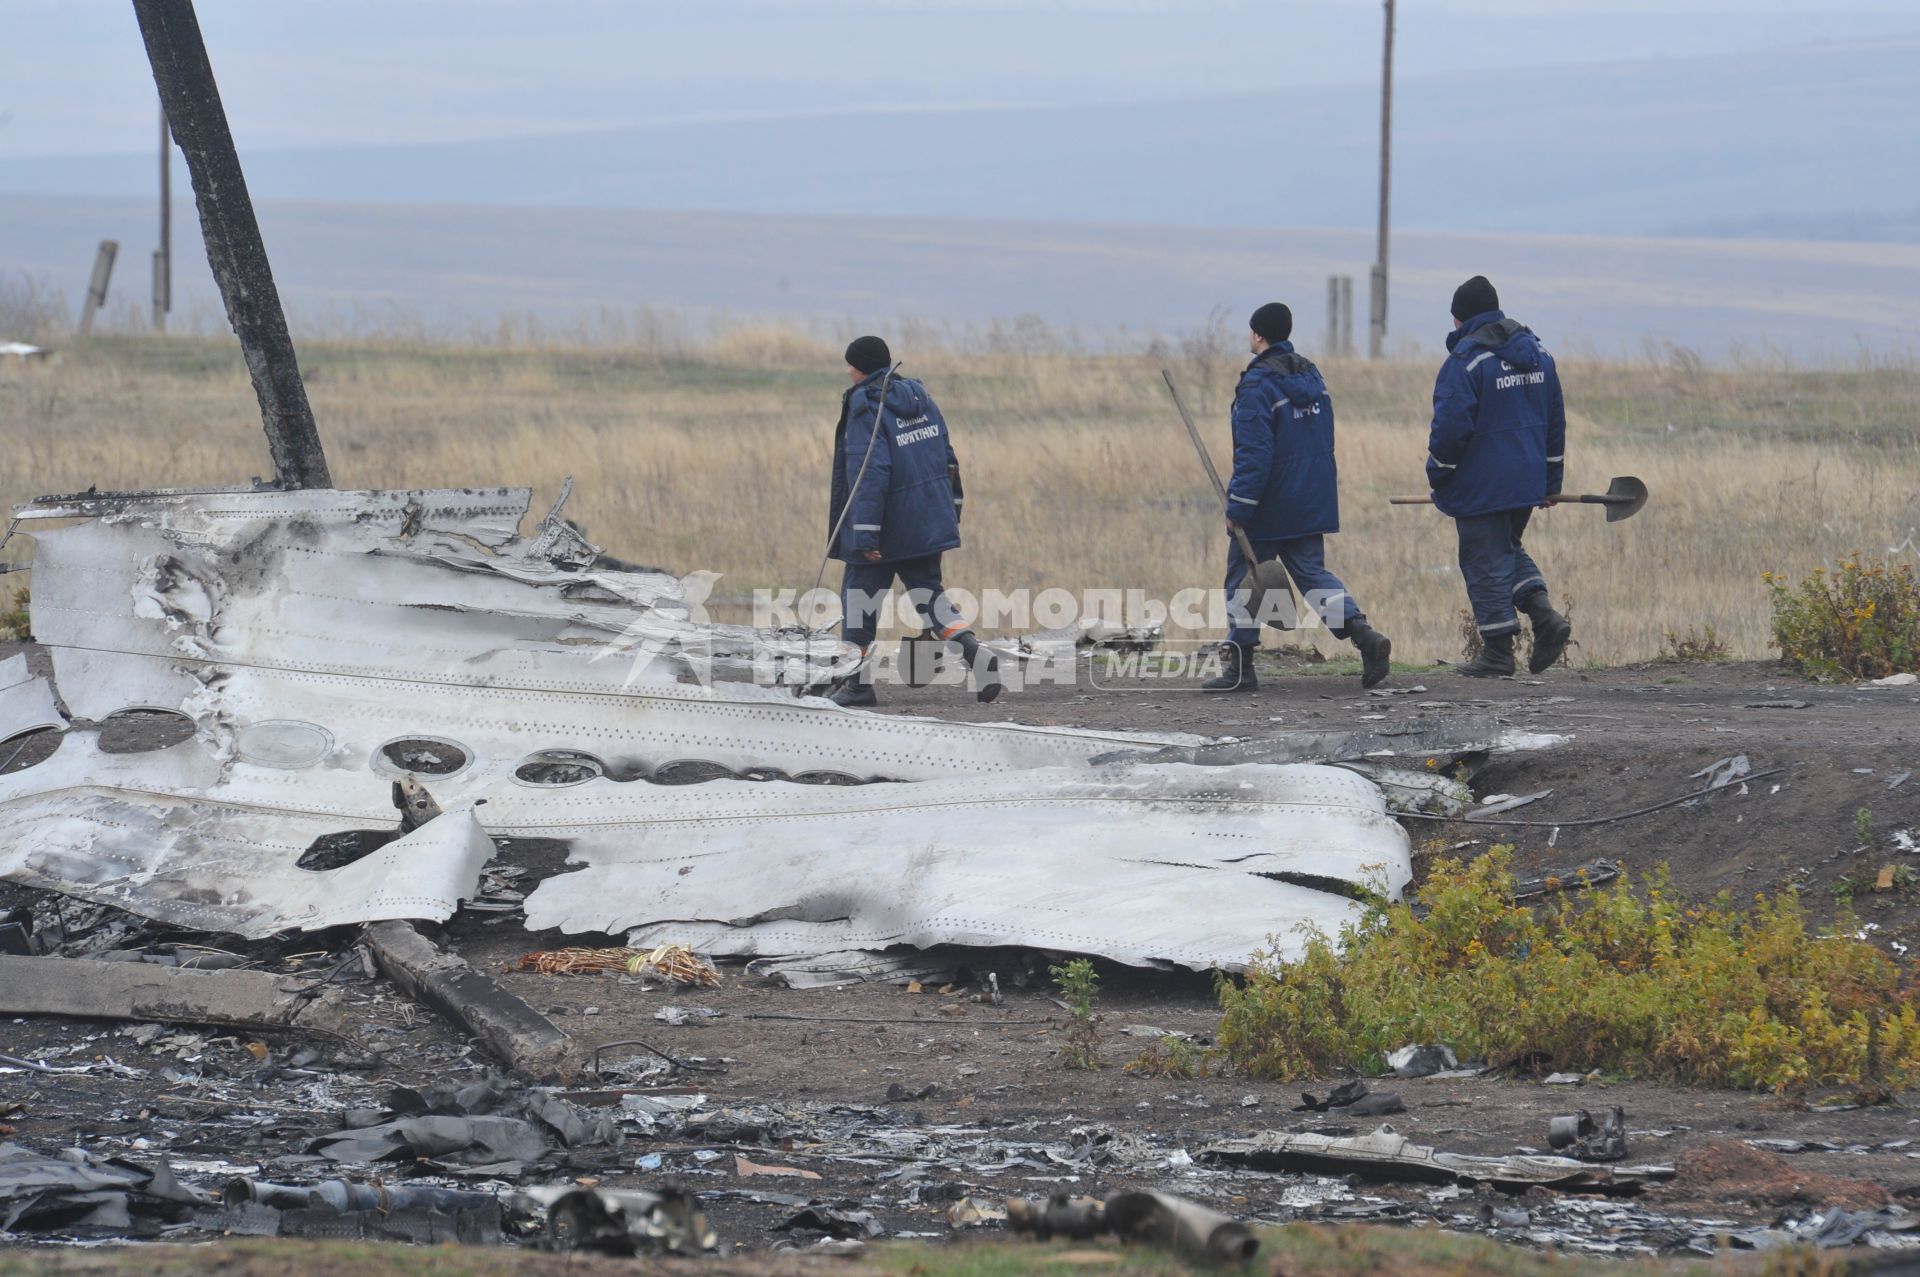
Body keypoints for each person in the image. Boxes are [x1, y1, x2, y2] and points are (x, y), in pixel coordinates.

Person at [1205, 303, 1392, 693]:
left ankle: (1241, 667)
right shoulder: (1311, 374)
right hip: (1311, 497)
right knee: (1312, 575)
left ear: (1258, 336)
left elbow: (1254, 456)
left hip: (1270, 504)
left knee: (1242, 576)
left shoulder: (1258, 385)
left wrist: (1239, 508)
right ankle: (1364, 635)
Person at [825, 335, 1000, 707]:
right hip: (925, 522)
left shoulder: (865, 406)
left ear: (862, 368)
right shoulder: (922, 399)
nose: (848, 371)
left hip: (886, 529)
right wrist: (950, 510)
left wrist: (866, 536)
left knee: (858, 602)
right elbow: (947, 458)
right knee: (928, 595)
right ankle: (972, 650)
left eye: (851, 364)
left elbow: (869, 473)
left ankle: (857, 685)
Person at [1425, 275, 1572, 678]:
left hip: (1482, 486)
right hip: (1527, 481)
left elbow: (1450, 429)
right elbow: (1555, 421)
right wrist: (1550, 480)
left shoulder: (1466, 362)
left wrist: (1439, 473)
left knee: (1483, 561)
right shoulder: (1539, 354)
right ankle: (1544, 617)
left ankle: (1497, 654)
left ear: (1460, 320)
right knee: (1505, 550)